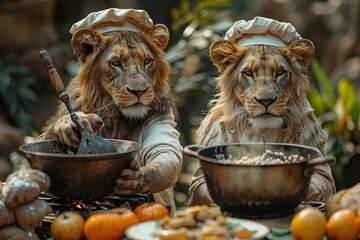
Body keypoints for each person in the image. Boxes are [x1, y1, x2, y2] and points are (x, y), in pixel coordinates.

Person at [38, 8, 183, 213]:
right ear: (88, 53)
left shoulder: (157, 105)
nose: (140, 85)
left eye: (147, 62)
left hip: (142, 213)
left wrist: (144, 177)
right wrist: (58, 129)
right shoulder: (77, 100)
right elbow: (39, 160)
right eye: (116, 63)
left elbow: (167, 152)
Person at [188, 16, 336, 206]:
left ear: (294, 77)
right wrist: (234, 190)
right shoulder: (220, 125)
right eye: (249, 73)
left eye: (280, 73)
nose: (265, 95)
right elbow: (199, 187)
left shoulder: (304, 122)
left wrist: (282, 189)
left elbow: (325, 184)